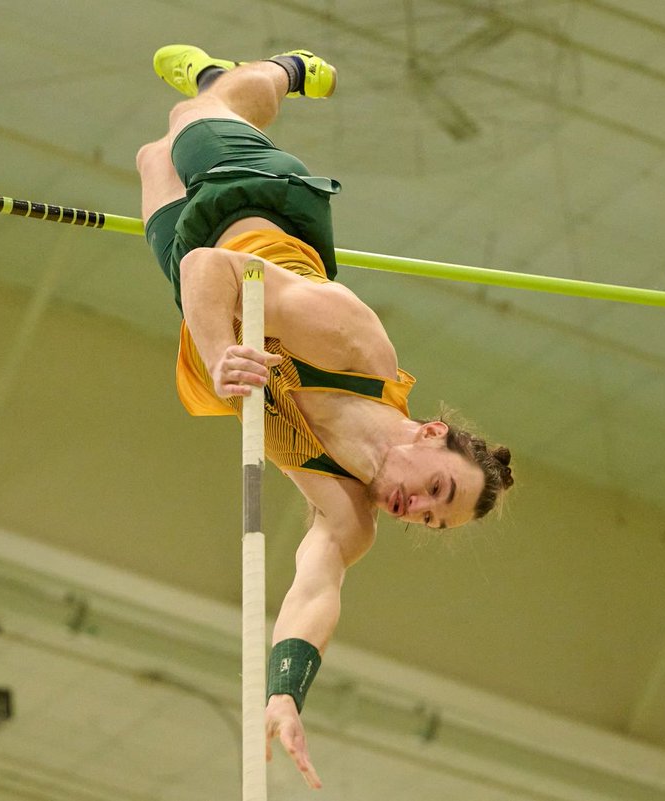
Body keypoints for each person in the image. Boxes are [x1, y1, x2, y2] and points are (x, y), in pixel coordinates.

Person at [137, 44, 514, 789]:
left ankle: (227, 88)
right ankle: (276, 71)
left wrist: (284, 694)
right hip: (253, 208)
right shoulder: (353, 340)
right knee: (192, 114)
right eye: (438, 489)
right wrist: (220, 354)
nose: (414, 509)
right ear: (430, 433)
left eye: (429, 521)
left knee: (153, 160)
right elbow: (210, 270)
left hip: (200, 287)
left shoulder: (350, 512)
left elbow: (315, 589)